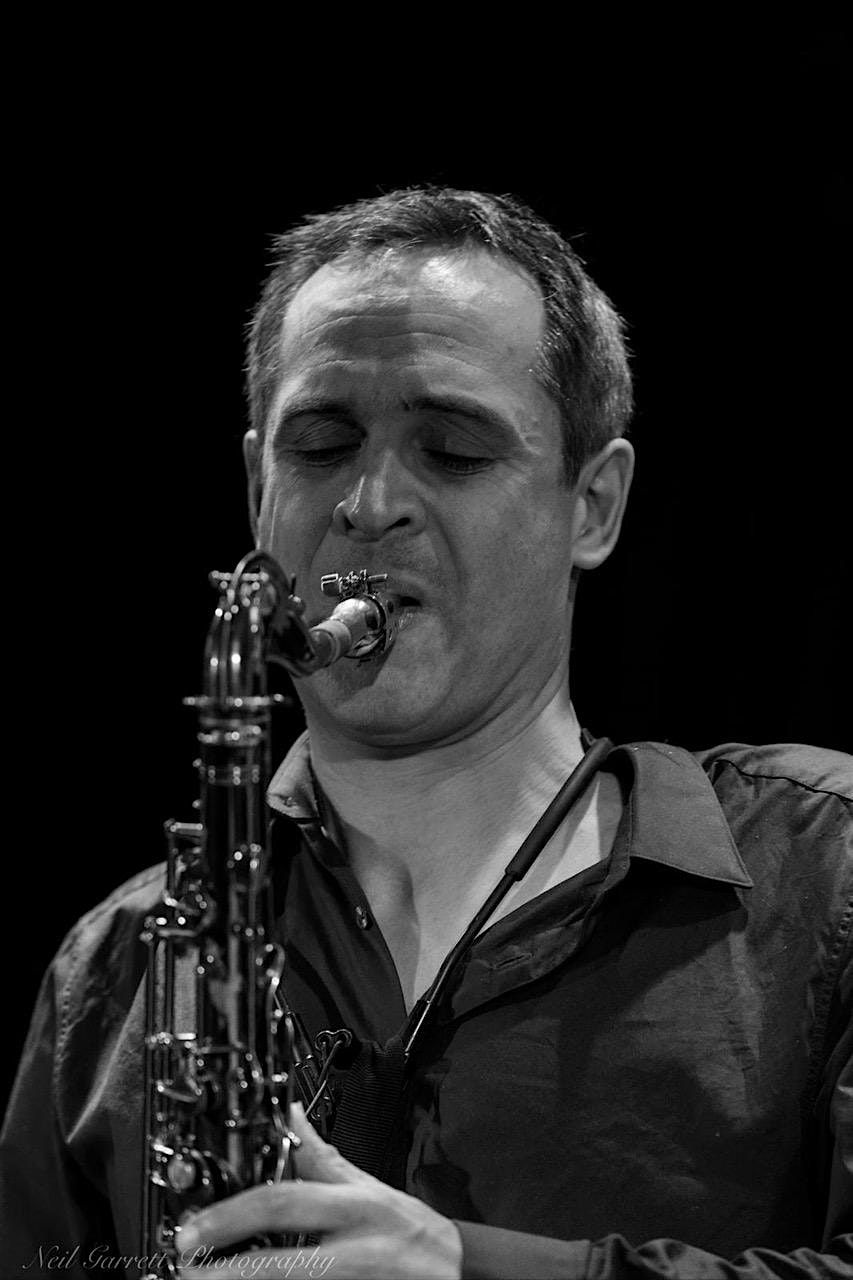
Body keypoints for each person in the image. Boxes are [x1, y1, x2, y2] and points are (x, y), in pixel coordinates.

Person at [1, 187, 850, 1279]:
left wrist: (464, 1267)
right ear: (258, 488)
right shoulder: (112, 971)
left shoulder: (823, 870)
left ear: (593, 505)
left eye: (450, 449)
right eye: (322, 444)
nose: (368, 504)